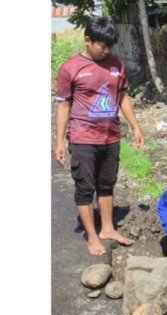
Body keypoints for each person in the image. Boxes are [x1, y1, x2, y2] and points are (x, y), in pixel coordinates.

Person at [54, 16, 144, 256]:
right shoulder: (70, 68)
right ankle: (92, 236)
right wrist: (59, 141)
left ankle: (107, 229)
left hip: (111, 137)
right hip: (83, 138)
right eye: (101, 45)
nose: (106, 50)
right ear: (87, 40)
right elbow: (63, 106)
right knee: (85, 188)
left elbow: (123, 98)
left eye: (110, 46)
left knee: (107, 185)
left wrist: (135, 126)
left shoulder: (117, 65)